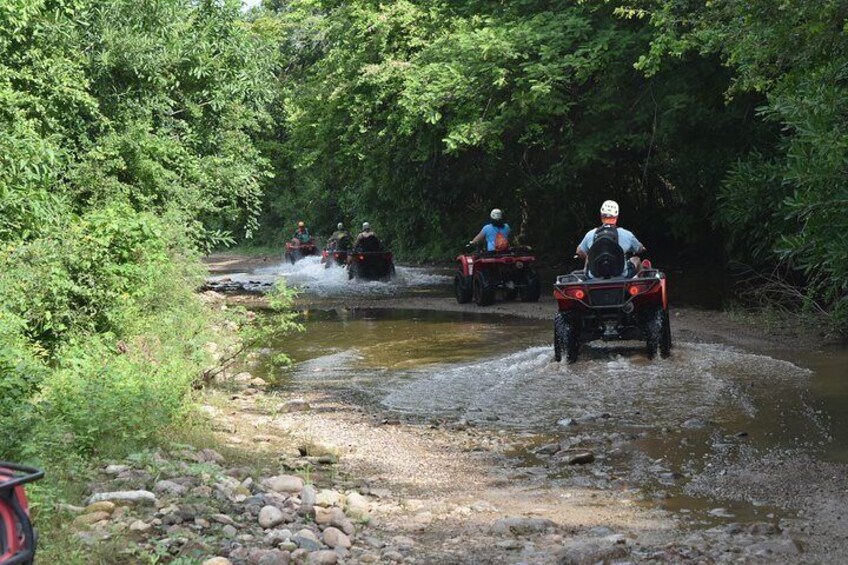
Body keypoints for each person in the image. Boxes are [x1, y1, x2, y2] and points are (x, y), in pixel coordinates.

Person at [575, 200, 645, 278]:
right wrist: (642, 248)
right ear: (617, 216)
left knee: (589, 256)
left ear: (601, 216)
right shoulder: (627, 234)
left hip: (594, 277)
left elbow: (579, 251)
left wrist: (589, 256)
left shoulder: (591, 234)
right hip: (621, 275)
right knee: (636, 259)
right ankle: (641, 286)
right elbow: (639, 248)